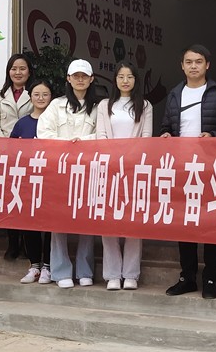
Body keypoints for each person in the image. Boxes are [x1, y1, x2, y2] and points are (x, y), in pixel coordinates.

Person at [160, 44, 216, 300]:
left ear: (207, 65)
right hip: (182, 168)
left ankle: (210, 277)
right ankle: (187, 277)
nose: (193, 66)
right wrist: (166, 135)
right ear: (182, 66)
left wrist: (213, 135)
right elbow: (166, 127)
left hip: (211, 168)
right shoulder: (175, 95)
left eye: (198, 61)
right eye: (189, 62)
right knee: (185, 223)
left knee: (211, 223)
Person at [38, 59, 101, 288]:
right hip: (60, 169)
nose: (80, 80)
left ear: (91, 79)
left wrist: (81, 142)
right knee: (58, 219)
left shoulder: (100, 107)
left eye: (84, 76)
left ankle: (85, 270)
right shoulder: (56, 105)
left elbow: (104, 135)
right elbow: (44, 132)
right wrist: (67, 145)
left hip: (89, 169)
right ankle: (61, 271)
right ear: (68, 79)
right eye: (76, 76)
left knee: (87, 219)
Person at [96, 62, 153, 291]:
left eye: (130, 76)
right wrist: (113, 159)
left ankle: (130, 274)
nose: (125, 81)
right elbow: (101, 135)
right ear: (115, 80)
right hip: (109, 168)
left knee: (132, 220)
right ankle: (112, 273)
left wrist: (130, 159)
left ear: (136, 80)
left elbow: (147, 137)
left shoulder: (145, 105)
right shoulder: (104, 105)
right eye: (121, 76)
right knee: (108, 219)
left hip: (133, 168)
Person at [0, 53, 35, 260]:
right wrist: (7, 145)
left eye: (22, 68)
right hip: (6, 154)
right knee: (9, 198)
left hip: (30, 154)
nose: (18, 72)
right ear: (9, 72)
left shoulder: (35, 92)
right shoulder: (1, 95)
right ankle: (12, 243)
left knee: (27, 199)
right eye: (14, 68)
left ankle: (27, 244)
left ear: (29, 72)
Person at [11, 79, 54, 284]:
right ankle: (34, 265)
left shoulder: (55, 121)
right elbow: (11, 150)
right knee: (29, 222)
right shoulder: (22, 123)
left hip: (52, 179)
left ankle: (48, 266)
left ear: (51, 97)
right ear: (30, 97)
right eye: (36, 94)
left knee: (51, 224)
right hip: (28, 181)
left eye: (45, 94)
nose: (41, 98)